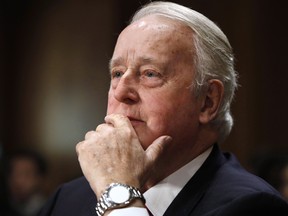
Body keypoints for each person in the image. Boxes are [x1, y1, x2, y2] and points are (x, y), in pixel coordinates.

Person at [38, 1, 288, 215]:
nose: (121, 92)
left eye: (150, 74)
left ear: (208, 101)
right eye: (117, 73)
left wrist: (120, 202)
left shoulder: (251, 205)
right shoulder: (68, 199)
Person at [5, 149, 48, 216]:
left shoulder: (51, 210)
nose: (17, 181)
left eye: (26, 174)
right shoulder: (4, 209)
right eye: (13, 174)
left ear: (40, 178)